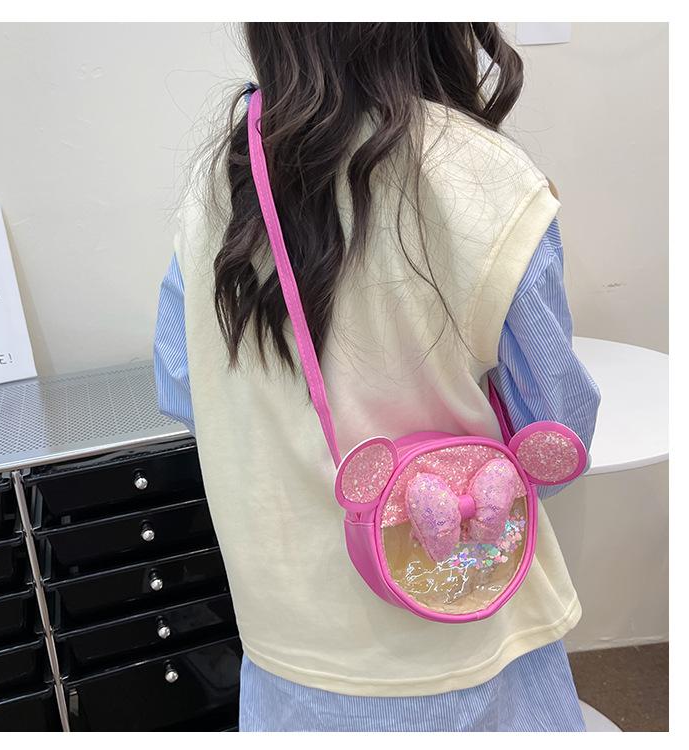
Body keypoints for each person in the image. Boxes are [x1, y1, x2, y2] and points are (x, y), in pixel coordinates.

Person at [153, 23, 601, 732]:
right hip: (465, 630)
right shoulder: (485, 177)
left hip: (289, 645)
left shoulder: (223, 182)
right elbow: (559, 429)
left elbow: (183, 389)